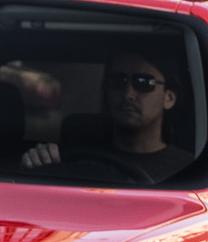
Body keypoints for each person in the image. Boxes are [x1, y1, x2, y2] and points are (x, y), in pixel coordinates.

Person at [23, 47, 195, 184]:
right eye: (118, 81)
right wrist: (39, 162)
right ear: (107, 91)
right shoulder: (77, 161)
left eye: (143, 83)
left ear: (169, 98)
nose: (128, 94)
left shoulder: (193, 171)